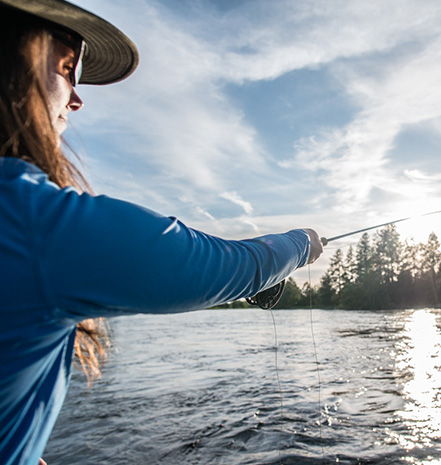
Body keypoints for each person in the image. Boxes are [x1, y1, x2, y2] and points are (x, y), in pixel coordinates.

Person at [0, 1, 324, 464]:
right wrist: (303, 243)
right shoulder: (35, 224)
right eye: (69, 68)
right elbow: (223, 265)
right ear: (14, 59)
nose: (77, 98)